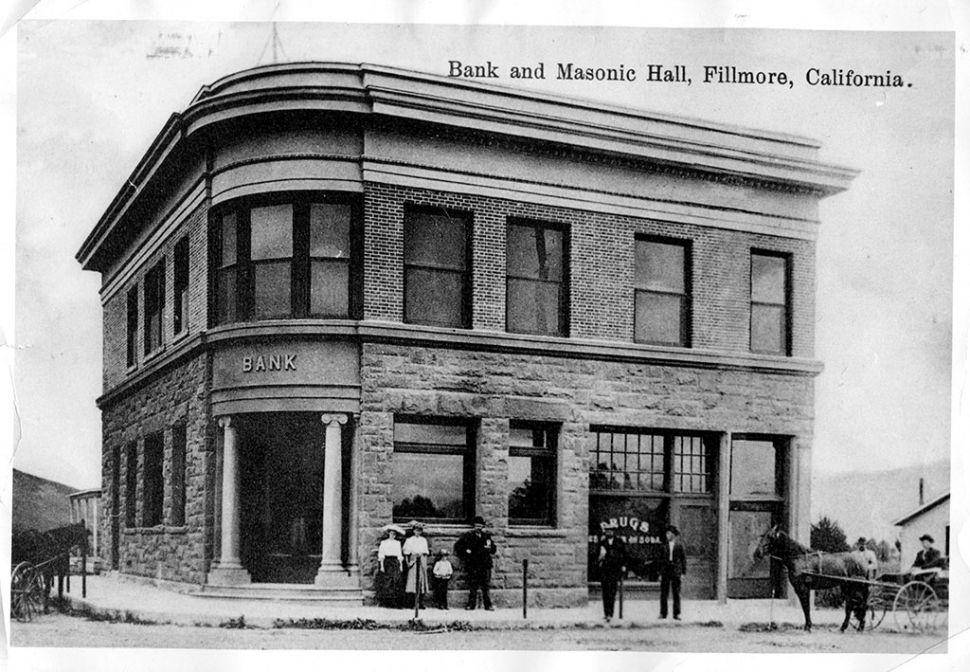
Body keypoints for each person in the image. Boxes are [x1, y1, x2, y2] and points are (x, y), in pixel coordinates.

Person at [455, 515, 497, 610]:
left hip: (485, 564)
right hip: (473, 564)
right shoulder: (469, 536)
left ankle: (488, 605)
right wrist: (466, 551)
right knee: (473, 585)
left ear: (483, 527)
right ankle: (471, 604)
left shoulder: (487, 536)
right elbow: (458, 546)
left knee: (486, 585)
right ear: (474, 526)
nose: (478, 528)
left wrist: (490, 548)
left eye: (480, 526)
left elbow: (494, 549)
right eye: (477, 526)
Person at [596, 526, 626, 622]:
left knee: (612, 592)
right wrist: (600, 557)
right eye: (607, 531)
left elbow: (624, 555)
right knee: (605, 592)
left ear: (613, 532)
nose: (609, 533)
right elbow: (597, 556)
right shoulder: (602, 543)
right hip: (605, 570)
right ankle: (606, 613)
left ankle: (611, 613)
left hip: (614, 570)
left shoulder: (619, 542)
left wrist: (623, 565)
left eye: (610, 531)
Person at [659, 524, 687, 620]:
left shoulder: (679, 546)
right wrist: (660, 573)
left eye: (669, 533)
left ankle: (676, 614)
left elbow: (683, 560)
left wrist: (683, 573)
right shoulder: (663, 546)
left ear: (673, 535)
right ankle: (663, 613)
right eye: (666, 533)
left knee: (676, 593)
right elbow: (660, 560)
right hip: (666, 571)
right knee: (664, 593)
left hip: (676, 571)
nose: (667, 535)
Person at [403, 521, 430, 608]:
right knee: (413, 580)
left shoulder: (423, 540)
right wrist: (409, 561)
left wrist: (422, 557)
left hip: (421, 559)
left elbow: (425, 552)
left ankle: (420, 602)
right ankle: (412, 602)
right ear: (413, 531)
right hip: (413, 560)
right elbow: (406, 552)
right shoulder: (409, 540)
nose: (418, 532)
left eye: (419, 531)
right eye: (416, 530)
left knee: (421, 580)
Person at [375, 526, 404, 608]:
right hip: (387, 562)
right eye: (391, 533)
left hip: (395, 562)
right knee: (387, 582)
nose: (392, 535)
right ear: (389, 534)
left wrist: (401, 565)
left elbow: (399, 554)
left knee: (395, 581)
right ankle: (386, 602)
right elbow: (381, 554)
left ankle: (395, 602)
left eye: (394, 534)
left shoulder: (397, 543)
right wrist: (382, 566)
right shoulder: (384, 543)